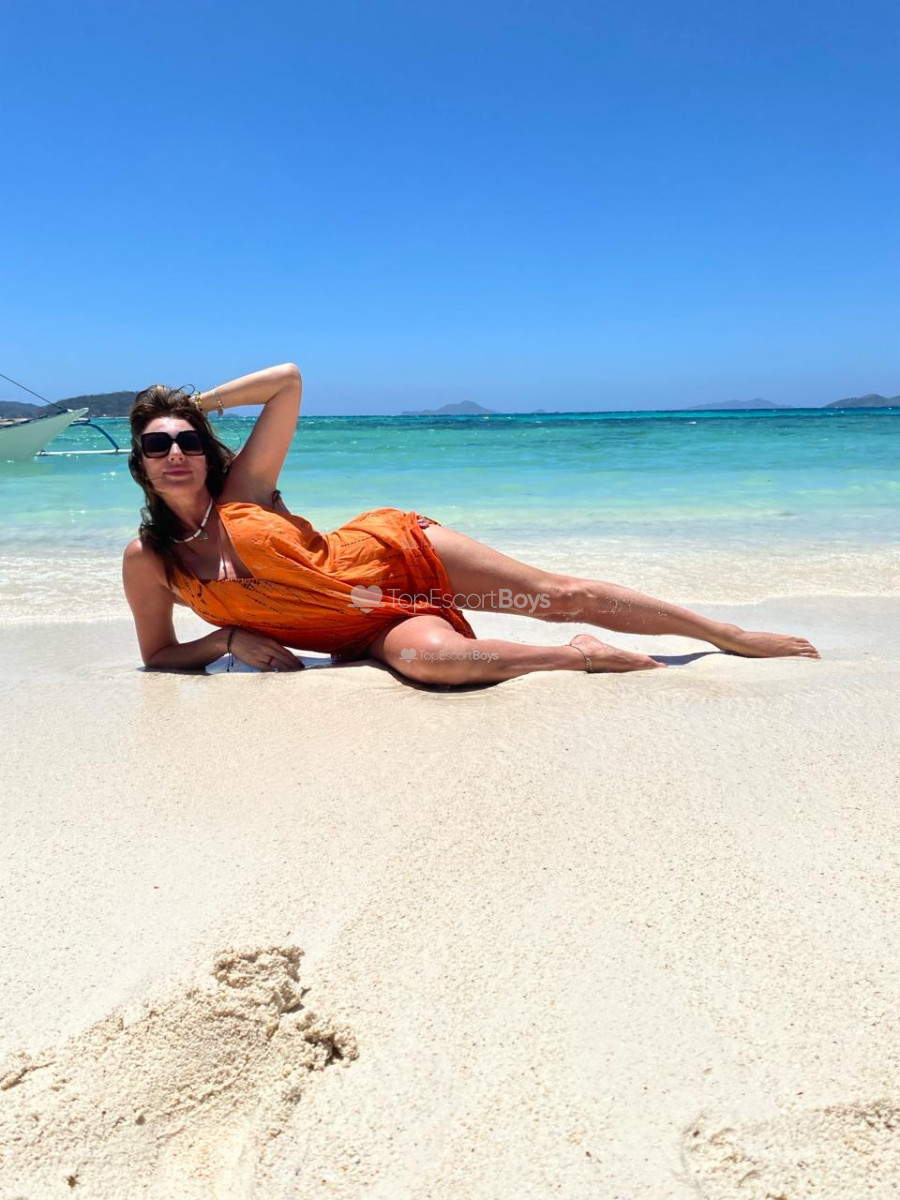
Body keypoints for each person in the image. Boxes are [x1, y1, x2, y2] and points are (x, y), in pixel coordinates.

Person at [122, 362, 820, 682]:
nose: (175, 452)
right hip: (363, 628)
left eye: (188, 441)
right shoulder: (148, 560)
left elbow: (288, 381)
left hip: (395, 557)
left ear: (205, 450)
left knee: (554, 595)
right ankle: (580, 655)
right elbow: (158, 656)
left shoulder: (243, 492)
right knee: (441, 663)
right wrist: (225, 639)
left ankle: (724, 635)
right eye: (158, 444)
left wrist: (190, 405)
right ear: (141, 464)